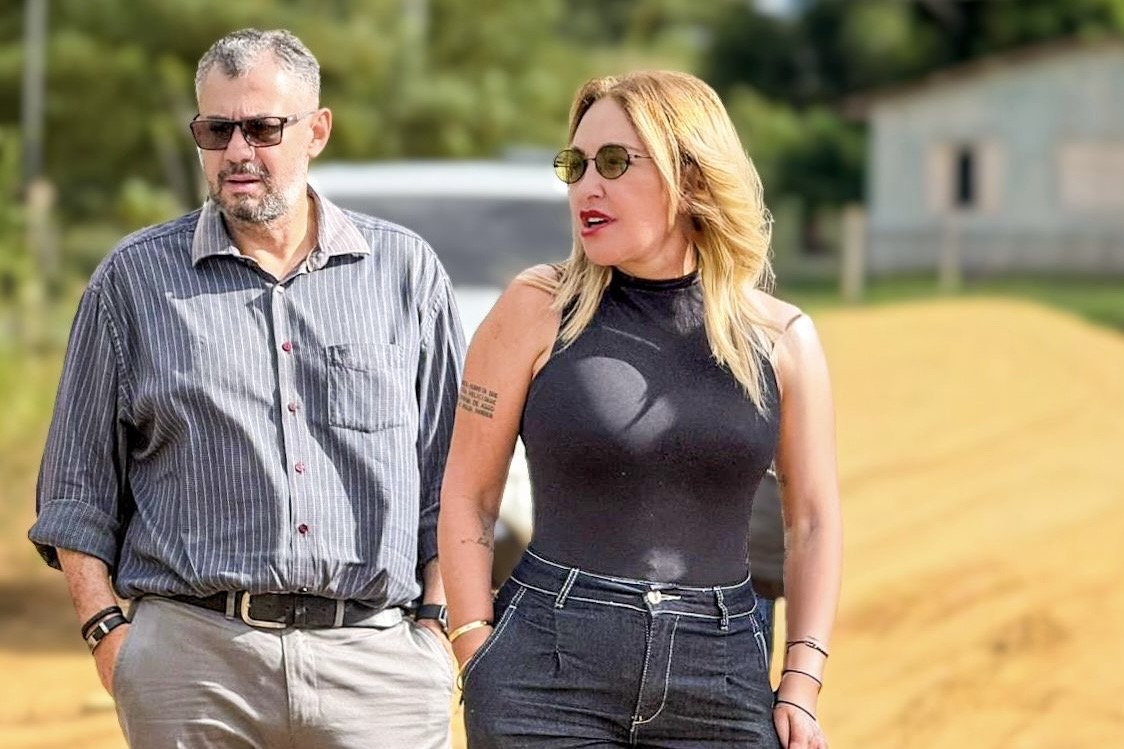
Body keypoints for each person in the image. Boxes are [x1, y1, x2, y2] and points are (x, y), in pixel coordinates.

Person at [29, 28, 463, 749]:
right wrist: (110, 636)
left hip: (378, 666)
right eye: (216, 129)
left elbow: (455, 476)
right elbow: (76, 487)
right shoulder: (132, 282)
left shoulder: (407, 274)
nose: (237, 151)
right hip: (193, 668)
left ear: (316, 131)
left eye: (262, 128)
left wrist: (437, 625)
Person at [438, 70, 842, 749]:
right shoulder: (536, 308)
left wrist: (801, 680)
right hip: (545, 674)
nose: (586, 187)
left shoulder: (782, 338)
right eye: (575, 165)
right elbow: (468, 494)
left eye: (614, 162)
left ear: (690, 176)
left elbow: (813, 521)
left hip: (722, 675)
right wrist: (476, 648)